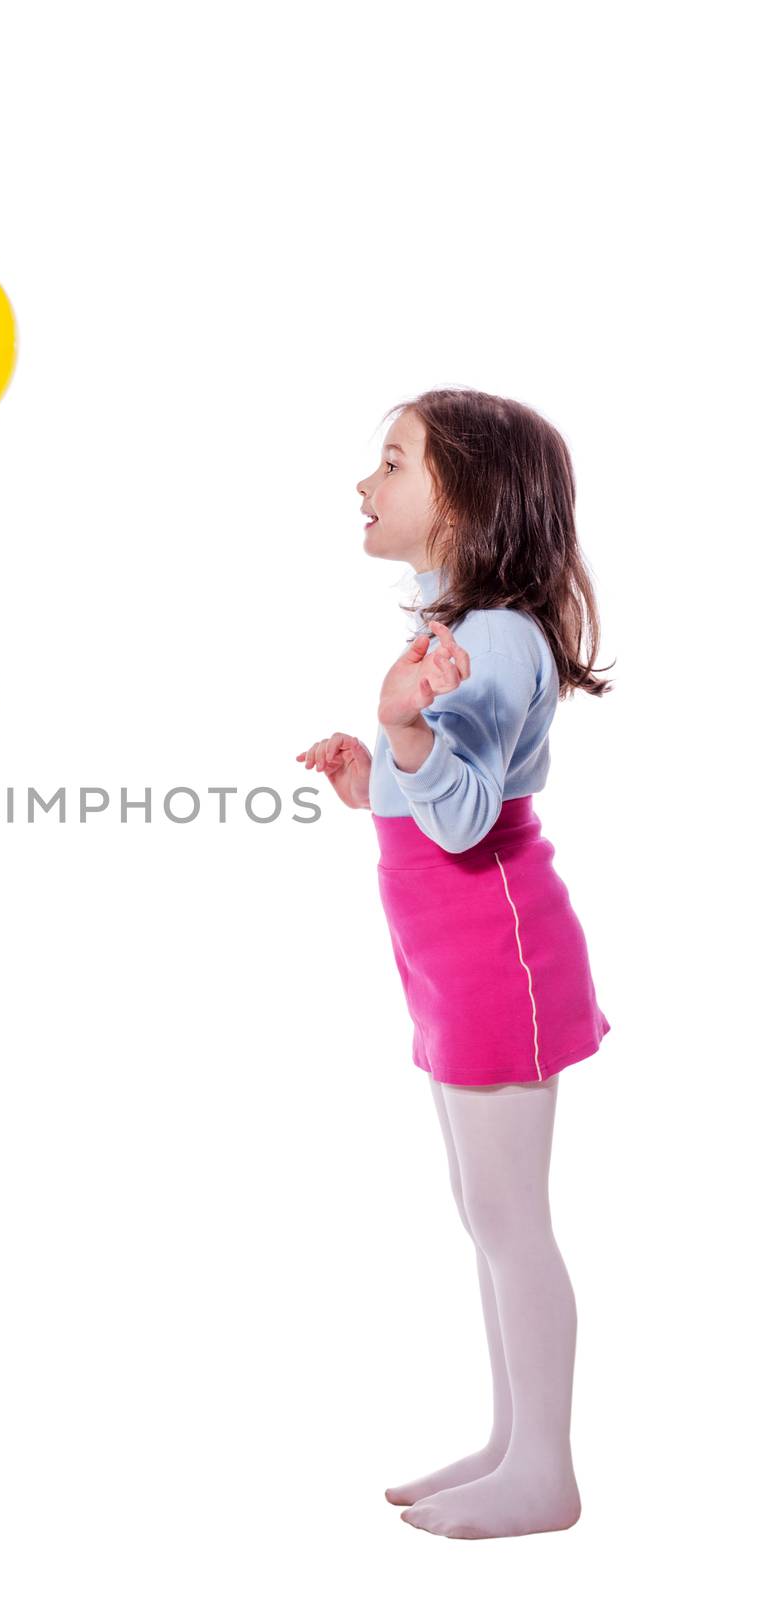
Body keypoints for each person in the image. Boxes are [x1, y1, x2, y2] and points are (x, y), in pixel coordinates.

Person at [297, 387, 613, 1539]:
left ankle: (548, 1471)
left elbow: (472, 815)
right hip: (457, 955)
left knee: (510, 1215)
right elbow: (442, 804)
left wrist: (409, 736)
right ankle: (513, 1439)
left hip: (498, 953)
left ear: (465, 499)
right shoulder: (462, 628)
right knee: (485, 1211)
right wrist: (373, 777)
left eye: (392, 462)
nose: (365, 483)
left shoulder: (492, 640)